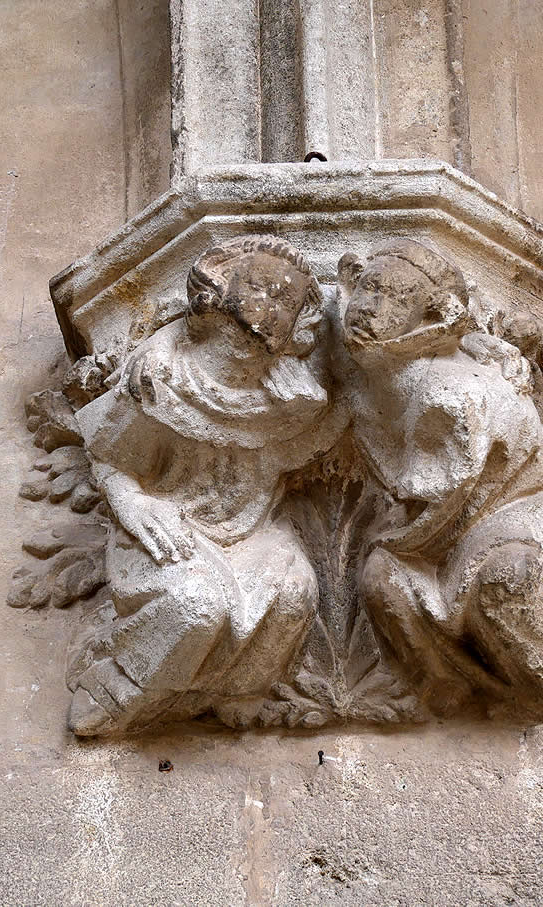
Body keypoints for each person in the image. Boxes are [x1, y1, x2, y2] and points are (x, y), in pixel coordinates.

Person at [337, 238, 543, 720]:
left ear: (430, 316)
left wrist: (398, 530)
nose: (370, 307)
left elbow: (450, 489)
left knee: (504, 580)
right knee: (379, 578)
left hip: (501, 514)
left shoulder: (447, 390)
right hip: (434, 525)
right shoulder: (369, 363)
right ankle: (441, 678)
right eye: (368, 288)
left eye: (395, 298)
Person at [66, 235, 343, 734]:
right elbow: (111, 459)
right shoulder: (164, 375)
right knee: (197, 605)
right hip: (170, 526)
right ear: (218, 288)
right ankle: (118, 683)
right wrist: (133, 504)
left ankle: (232, 688)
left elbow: (357, 387)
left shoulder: (293, 398)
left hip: (252, 534)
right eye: (261, 288)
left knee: (296, 594)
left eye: (288, 303)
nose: (271, 309)